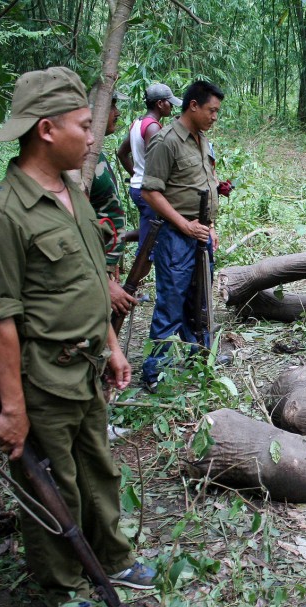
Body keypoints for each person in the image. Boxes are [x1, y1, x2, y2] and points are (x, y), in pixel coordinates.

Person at [0, 66, 154, 607]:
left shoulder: (70, 192)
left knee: (97, 468)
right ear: (46, 130)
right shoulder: (1, 215)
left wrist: (114, 347)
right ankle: (63, 585)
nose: (93, 135)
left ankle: (114, 559)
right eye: (82, 125)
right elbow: (1, 324)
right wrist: (13, 409)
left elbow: (94, 282)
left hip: (88, 368)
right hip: (41, 377)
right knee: (52, 483)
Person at [140, 80, 224, 390]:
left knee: (199, 299)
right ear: (193, 106)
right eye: (211, 111)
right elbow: (150, 192)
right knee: (171, 303)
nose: (215, 117)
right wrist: (184, 224)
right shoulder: (167, 141)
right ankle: (155, 373)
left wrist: (209, 228)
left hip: (200, 235)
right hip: (176, 237)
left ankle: (199, 355)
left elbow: (207, 184)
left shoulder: (200, 139)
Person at [116, 83, 181, 256]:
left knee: (151, 232)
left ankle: (115, 237)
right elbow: (155, 162)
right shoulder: (153, 127)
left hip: (138, 187)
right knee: (148, 246)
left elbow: (122, 153)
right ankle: (132, 282)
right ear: (160, 104)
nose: (171, 106)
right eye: (169, 102)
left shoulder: (137, 123)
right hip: (148, 191)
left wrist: (136, 175)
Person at [90, 90, 138, 320]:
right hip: (90, 270)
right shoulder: (78, 163)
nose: (117, 113)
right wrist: (101, 277)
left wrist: (112, 261)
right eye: (112, 107)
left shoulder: (96, 155)